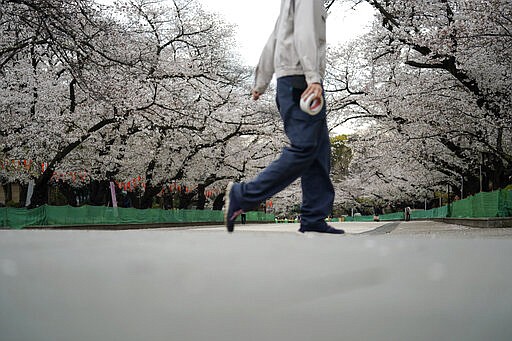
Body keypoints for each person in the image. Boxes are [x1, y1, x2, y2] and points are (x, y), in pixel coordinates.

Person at [224, 0, 344, 234]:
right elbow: (304, 33)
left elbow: (275, 38)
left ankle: (313, 217)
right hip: (301, 81)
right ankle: (243, 195)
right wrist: (314, 78)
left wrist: (262, 80)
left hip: (294, 80)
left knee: (319, 151)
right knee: (305, 147)